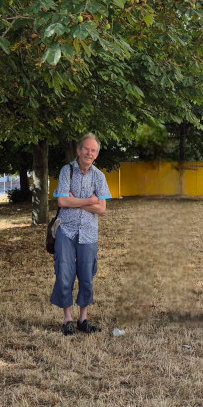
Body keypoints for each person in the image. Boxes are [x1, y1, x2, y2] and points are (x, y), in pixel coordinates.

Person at [52, 133, 112, 335]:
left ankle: (83, 319)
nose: (89, 153)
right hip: (66, 231)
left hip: (89, 233)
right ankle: (68, 319)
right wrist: (90, 201)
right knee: (65, 274)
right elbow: (62, 202)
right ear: (78, 150)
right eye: (86, 148)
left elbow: (102, 209)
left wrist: (76, 201)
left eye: (93, 150)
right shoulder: (66, 171)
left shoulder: (99, 176)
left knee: (87, 276)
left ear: (96, 154)